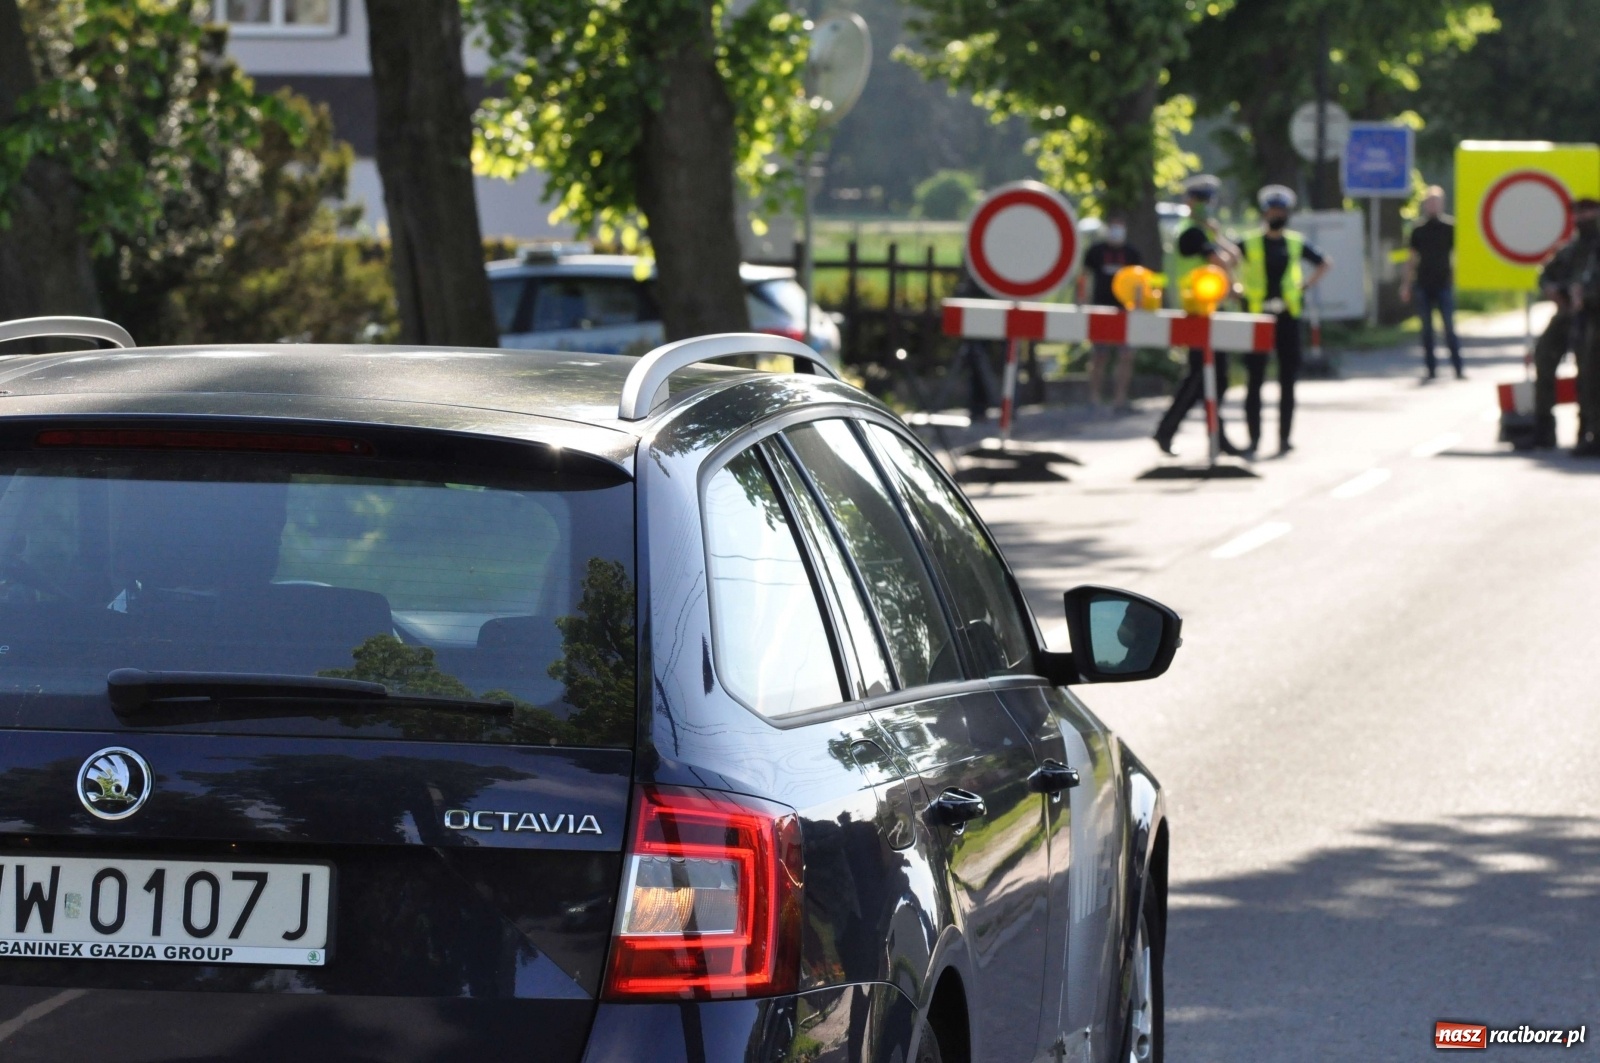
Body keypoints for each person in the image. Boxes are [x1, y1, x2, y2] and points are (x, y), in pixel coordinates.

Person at [1235, 185, 1331, 457]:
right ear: (1265, 213)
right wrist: (1235, 289)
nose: (1277, 214)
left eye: (1282, 211)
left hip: (1288, 317)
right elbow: (1224, 260)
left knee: (1287, 380)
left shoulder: (1295, 242)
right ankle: (1253, 440)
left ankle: (1284, 439)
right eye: (1273, 210)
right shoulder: (1249, 241)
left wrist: (1304, 287)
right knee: (1254, 381)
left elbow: (1325, 263)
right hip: (1256, 317)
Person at [1154, 174, 1243, 457]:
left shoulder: (1201, 232)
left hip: (1207, 311)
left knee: (1208, 378)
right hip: (1197, 313)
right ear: (1188, 201)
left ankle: (1204, 434)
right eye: (1200, 200)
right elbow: (1223, 261)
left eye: (1208, 200)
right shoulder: (1191, 232)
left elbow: (1234, 256)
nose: (1205, 205)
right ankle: (1174, 431)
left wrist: (1217, 236)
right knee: (1204, 378)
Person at [1529, 198, 1600, 449]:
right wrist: (1555, 292)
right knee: (1543, 358)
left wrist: (1587, 296)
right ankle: (1544, 428)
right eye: (1578, 211)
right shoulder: (1570, 249)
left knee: (1590, 374)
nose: (1583, 216)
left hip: (1593, 316)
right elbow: (1547, 274)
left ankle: (1588, 431)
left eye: (1589, 210)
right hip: (1569, 313)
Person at [1077, 214, 1143, 412]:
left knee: (1126, 355)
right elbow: (1084, 276)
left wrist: (1138, 304)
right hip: (1100, 309)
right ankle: (1094, 397)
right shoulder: (1096, 251)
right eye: (1113, 226)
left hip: (1125, 310)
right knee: (1099, 355)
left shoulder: (1132, 253)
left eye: (1120, 226)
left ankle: (1120, 398)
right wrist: (1081, 300)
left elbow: (1140, 280)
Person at [1400, 186, 1465, 381]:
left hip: (1444, 284)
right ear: (1425, 205)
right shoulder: (1418, 230)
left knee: (1449, 329)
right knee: (1426, 330)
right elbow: (1411, 259)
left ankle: (1458, 369)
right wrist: (1405, 284)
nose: (1433, 205)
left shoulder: (1451, 227)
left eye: (1436, 202)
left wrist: (1457, 277)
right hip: (1423, 284)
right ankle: (1431, 370)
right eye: (1430, 202)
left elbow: (1460, 255)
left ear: (1442, 203)